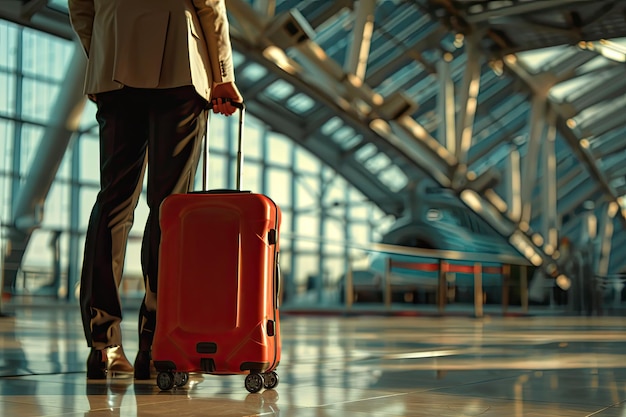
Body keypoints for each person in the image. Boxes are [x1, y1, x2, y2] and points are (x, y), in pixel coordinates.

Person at [68, 0, 243, 379]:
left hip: (113, 63)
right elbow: (210, 6)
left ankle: (104, 344)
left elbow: (80, 8)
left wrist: (102, 51)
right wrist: (222, 76)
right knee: (170, 210)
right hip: (179, 63)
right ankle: (158, 345)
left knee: (113, 202)